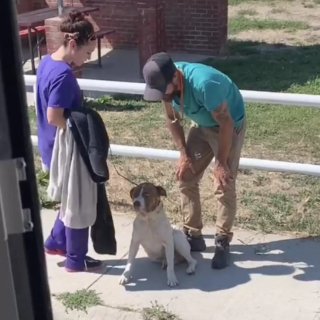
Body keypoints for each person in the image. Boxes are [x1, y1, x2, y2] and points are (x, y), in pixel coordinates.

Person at [142, 52, 246, 270]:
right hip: (201, 125)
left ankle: (222, 240)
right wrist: (183, 153)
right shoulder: (166, 85)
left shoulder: (204, 84)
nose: (162, 96)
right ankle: (193, 234)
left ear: (174, 78)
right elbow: (171, 118)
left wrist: (221, 162)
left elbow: (225, 123)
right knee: (186, 175)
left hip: (227, 127)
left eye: (163, 91)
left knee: (223, 182)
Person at [36, 10, 102, 272]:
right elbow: (54, 116)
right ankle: (76, 259)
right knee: (78, 201)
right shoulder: (64, 75)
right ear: (74, 43)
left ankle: (55, 241)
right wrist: (81, 130)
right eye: (86, 53)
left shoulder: (47, 63)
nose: (86, 59)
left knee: (67, 201)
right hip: (65, 148)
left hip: (48, 144)